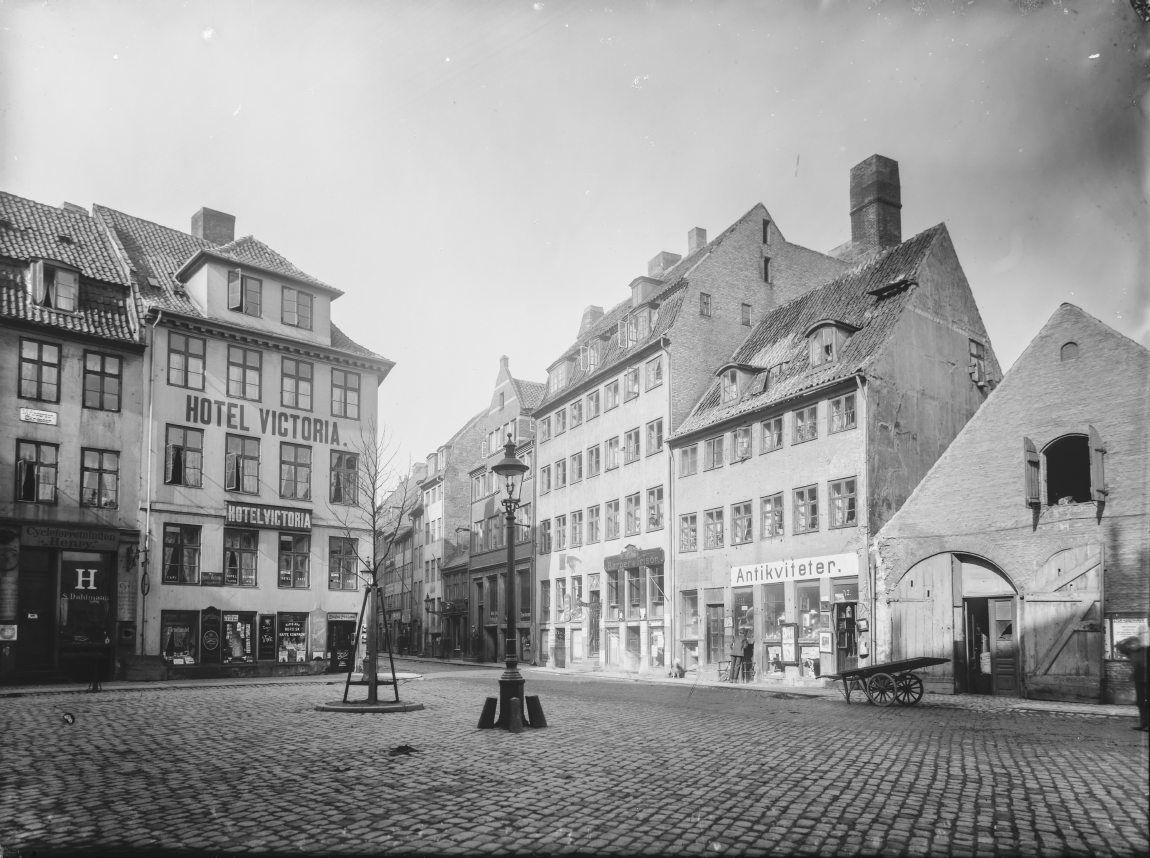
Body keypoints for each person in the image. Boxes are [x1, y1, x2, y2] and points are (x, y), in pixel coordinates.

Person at [1115, 635, 1148, 731]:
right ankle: (1143, 724)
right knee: (1140, 702)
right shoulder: (1131, 651)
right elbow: (1119, 646)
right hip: (1139, 678)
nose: (1134, 645)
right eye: (1132, 644)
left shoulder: (1145, 650)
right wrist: (1128, 641)